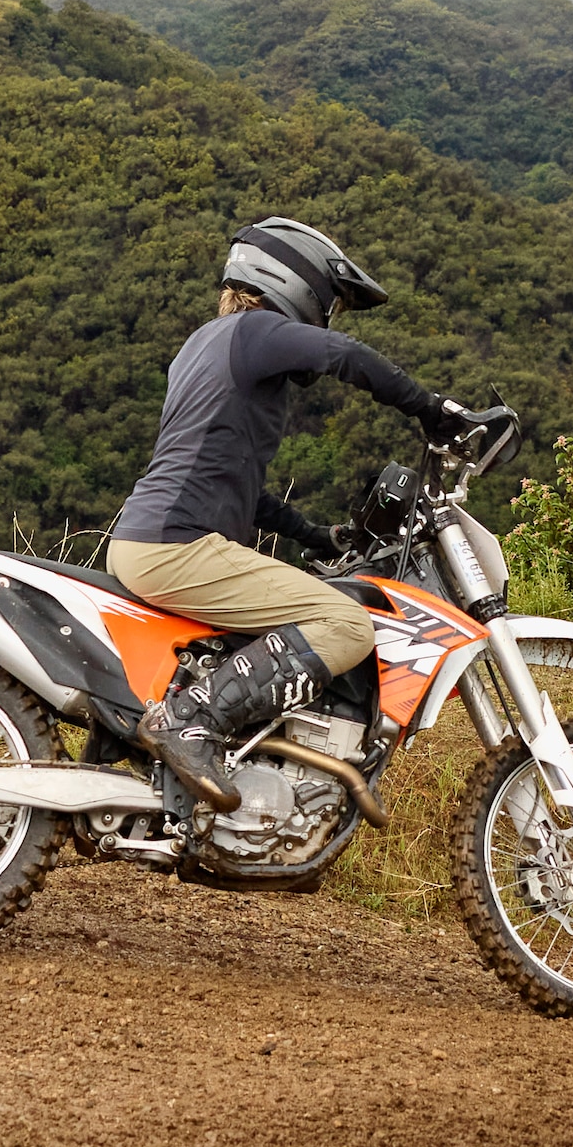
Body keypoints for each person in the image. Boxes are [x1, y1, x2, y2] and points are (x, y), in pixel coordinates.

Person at [107, 216, 478, 814]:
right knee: (347, 627)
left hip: (154, 537)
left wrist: (313, 534)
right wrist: (432, 410)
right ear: (293, 282)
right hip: (177, 546)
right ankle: (191, 721)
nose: (327, 316)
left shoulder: (204, 345)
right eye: (328, 300)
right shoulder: (256, 331)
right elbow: (345, 355)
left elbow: (230, 479)